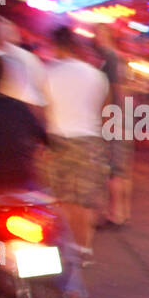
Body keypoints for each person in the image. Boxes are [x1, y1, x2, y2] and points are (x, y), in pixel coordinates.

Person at [0, 55, 89, 298]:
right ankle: (74, 290)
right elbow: (47, 143)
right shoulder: (27, 111)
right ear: (13, 80)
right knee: (62, 236)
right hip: (32, 191)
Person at [43, 26, 110, 264]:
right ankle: (84, 250)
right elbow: (103, 111)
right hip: (88, 141)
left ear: (54, 45)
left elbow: (42, 109)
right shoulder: (96, 75)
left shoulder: (48, 72)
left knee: (62, 199)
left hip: (57, 140)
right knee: (84, 200)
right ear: (75, 46)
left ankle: (66, 246)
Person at [93, 26, 132, 227]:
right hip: (122, 116)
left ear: (106, 36)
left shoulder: (109, 58)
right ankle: (123, 212)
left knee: (114, 169)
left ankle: (114, 214)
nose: (95, 38)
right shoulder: (119, 58)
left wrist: (109, 117)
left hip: (115, 117)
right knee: (121, 169)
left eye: (98, 34)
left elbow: (114, 89)